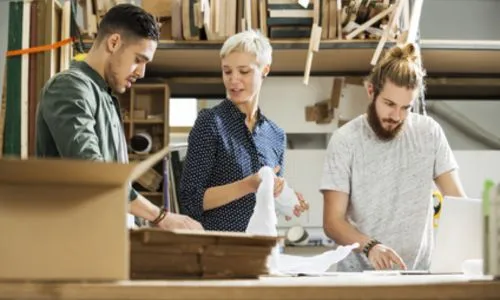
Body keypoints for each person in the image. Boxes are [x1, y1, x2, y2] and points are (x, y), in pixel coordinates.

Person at [35, 4, 202, 231]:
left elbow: (115, 184)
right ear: (113, 42)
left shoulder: (106, 96)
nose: (141, 72)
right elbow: (93, 173)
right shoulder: (69, 87)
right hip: (72, 242)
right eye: (138, 59)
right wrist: (160, 216)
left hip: (102, 240)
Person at [320, 43, 466, 272]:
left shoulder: (429, 133)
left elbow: (459, 203)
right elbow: (332, 222)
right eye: (389, 104)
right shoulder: (345, 140)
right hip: (359, 281)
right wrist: (371, 246)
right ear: (371, 91)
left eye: (405, 108)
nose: (396, 116)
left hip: (417, 276)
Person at [179, 30, 309, 232]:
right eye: (227, 71)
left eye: (244, 71)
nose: (233, 80)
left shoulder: (275, 135)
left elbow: (266, 203)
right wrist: (249, 184)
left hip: (262, 249)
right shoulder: (210, 123)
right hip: (218, 251)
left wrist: (286, 199)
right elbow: (189, 201)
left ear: (265, 70)